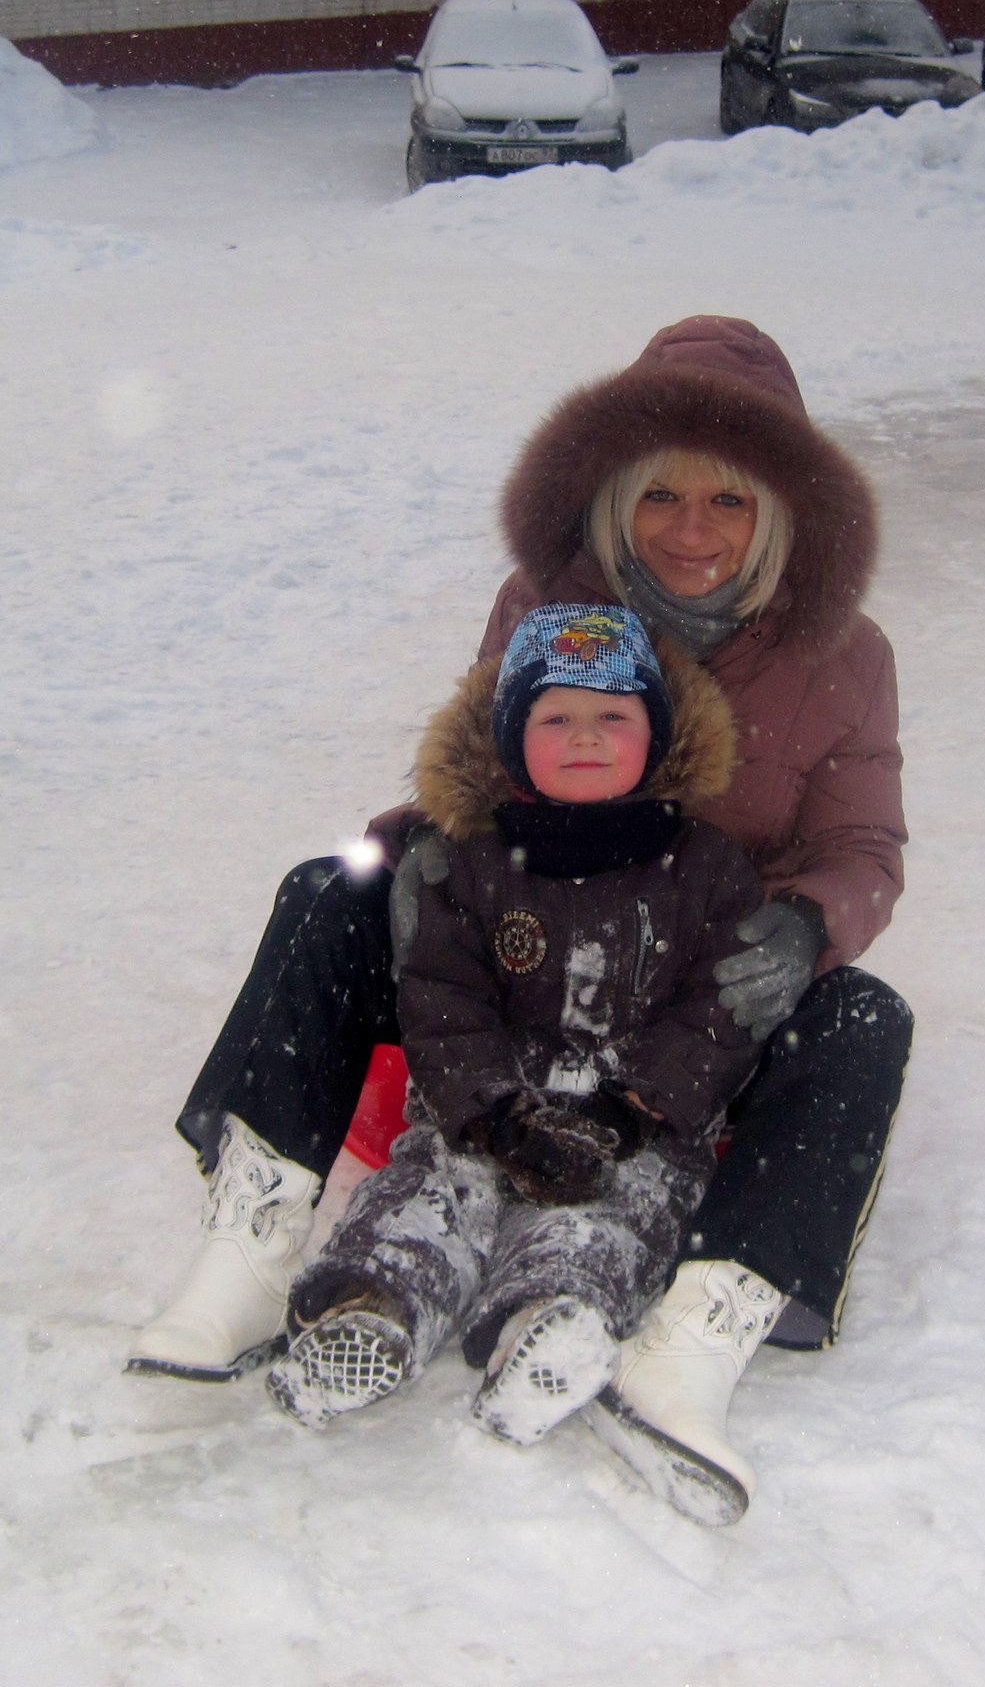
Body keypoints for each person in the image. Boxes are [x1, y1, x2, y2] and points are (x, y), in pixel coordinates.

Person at [131, 316, 911, 1527]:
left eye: (727, 499)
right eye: (660, 494)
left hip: (696, 995)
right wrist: (411, 843)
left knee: (862, 1016)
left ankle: (695, 1342)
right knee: (330, 884)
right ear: (613, 492)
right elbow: (485, 762)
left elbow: (864, 846)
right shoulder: (547, 602)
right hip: (524, 961)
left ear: (777, 511)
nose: (691, 530)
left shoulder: (845, 655)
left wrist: (812, 921)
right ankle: (251, 1246)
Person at [265, 604, 762, 1450]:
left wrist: (637, 1109)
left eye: (614, 717)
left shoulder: (708, 868)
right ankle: (371, 1311)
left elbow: (716, 1014)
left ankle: (547, 1327)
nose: (586, 737)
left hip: (632, 1127)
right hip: (486, 1111)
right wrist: (492, 1116)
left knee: (605, 1220)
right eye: (555, 718)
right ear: (510, 737)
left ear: (658, 735)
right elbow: (443, 1000)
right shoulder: (468, 859)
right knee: (430, 1193)